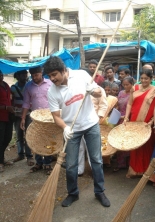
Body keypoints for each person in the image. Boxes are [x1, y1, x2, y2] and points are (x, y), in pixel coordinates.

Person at [44, 56, 110, 208]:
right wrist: (65, 127)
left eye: (54, 74)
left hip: (91, 124)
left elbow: (100, 93)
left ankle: (100, 191)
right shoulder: (52, 91)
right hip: (72, 130)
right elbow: (55, 116)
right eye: (49, 76)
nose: (52, 78)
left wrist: (93, 91)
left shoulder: (81, 75)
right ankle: (73, 193)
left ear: (63, 70)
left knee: (96, 160)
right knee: (71, 165)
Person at [20, 66, 53, 175]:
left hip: (49, 118)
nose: (34, 78)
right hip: (35, 118)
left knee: (48, 139)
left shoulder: (50, 83)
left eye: (36, 75)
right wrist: (23, 118)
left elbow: (57, 98)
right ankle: (39, 162)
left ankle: (48, 162)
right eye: (33, 76)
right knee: (37, 140)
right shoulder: (28, 86)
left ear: (41, 73)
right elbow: (26, 103)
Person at [124, 70, 155, 178]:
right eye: (142, 78)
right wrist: (126, 117)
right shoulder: (135, 88)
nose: (143, 80)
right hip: (134, 121)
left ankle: (146, 172)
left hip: (147, 123)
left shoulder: (154, 90)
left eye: (146, 78)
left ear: (151, 79)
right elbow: (129, 104)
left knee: (147, 146)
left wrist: (152, 122)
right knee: (135, 145)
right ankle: (133, 170)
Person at [11, 70, 34, 166]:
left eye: (25, 74)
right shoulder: (13, 88)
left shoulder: (29, 86)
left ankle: (29, 156)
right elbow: (11, 101)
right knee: (19, 135)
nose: (25, 76)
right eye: (22, 74)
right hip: (17, 115)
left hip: (28, 114)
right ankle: (20, 154)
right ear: (17, 76)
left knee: (28, 134)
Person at [113, 77, 134, 172]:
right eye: (124, 85)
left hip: (128, 120)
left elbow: (133, 109)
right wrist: (115, 111)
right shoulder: (121, 93)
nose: (125, 86)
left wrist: (124, 117)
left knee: (128, 141)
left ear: (132, 84)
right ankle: (120, 164)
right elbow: (118, 104)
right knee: (119, 142)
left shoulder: (134, 94)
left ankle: (129, 164)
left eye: (127, 85)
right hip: (118, 119)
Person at [0, 70, 14, 172]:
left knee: (8, 138)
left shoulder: (6, 85)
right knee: (0, 140)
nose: (1, 76)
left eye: (1, 74)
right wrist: (5, 107)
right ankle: (1, 162)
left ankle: (2, 159)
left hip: (8, 116)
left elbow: (9, 98)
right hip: (0, 117)